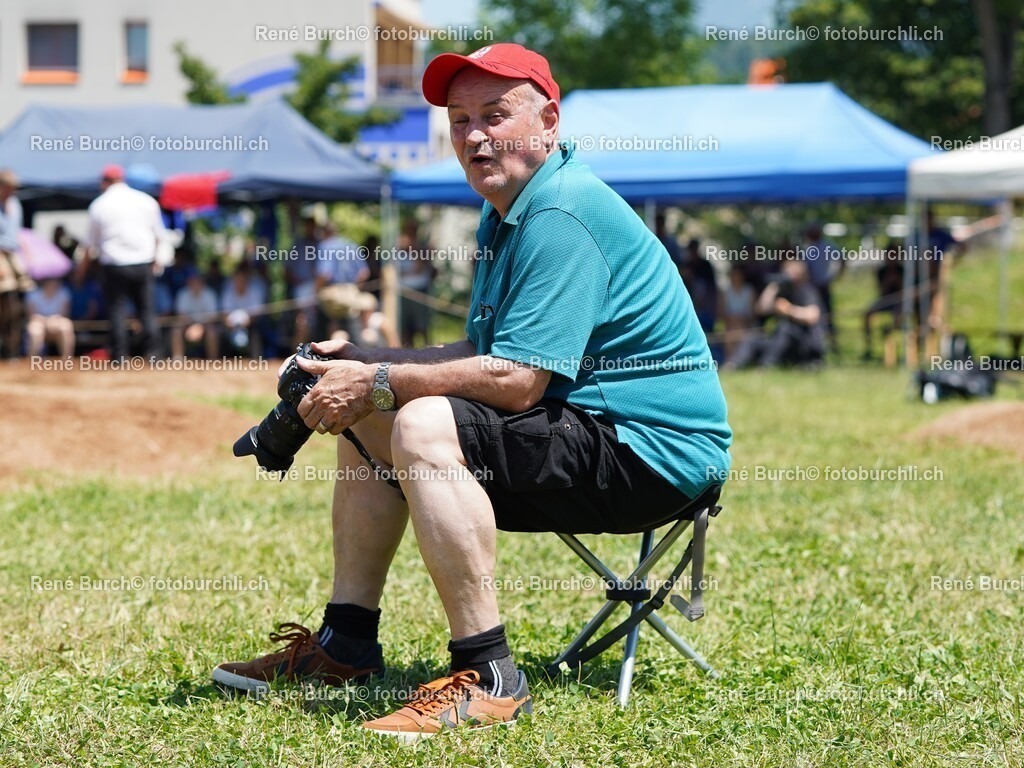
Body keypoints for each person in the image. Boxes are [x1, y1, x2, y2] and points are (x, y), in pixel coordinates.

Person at [212, 43, 732, 739]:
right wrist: (367, 361)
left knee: (418, 418)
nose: (474, 135)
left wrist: (382, 380)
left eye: (495, 114)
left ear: (549, 119)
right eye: (459, 121)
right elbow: (487, 355)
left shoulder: (559, 213)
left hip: (654, 457)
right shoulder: (511, 209)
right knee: (375, 407)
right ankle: (346, 646)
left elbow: (516, 384)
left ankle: (489, 678)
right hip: (594, 431)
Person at [84, 165, 166, 360]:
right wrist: (158, 259)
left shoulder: (99, 204)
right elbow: (159, 235)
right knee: (146, 311)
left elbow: (90, 245)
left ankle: (120, 356)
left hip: (114, 265)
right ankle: (153, 355)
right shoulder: (146, 201)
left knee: (116, 311)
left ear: (105, 181)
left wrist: (81, 270)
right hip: (142, 263)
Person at [725, 255, 825, 369]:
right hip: (779, 341)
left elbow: (813, 316)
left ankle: (765, 367)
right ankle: (731, 365)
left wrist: (789, 310)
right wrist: (772, 287)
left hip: (804, 342)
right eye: (785, 272)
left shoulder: (806, 290)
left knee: (785, 328)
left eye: (791, 272)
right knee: (752, 338)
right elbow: (760, 309)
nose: (787, 275)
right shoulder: (782, 291)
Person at [0, 169, 28, 358]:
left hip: (13, 255)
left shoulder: (15, 204)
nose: (13, 192)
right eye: (10, 188)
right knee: (7, 303)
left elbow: (17, 234)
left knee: (18, 305)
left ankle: (12, 350)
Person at [802, 222, 844, 350]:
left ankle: (833, 345)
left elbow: (842, 260)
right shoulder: (806, 249)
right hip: (812, 289)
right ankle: (814, 343)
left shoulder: (828, 246)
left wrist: (835, 278)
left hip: (824, 287)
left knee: (828, 317)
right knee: (813, 317)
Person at [170, 269, 218, 360]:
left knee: (212, 332)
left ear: (202, 282)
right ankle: (177, 359)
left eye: (197, 281)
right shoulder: (182, 294)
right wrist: (191, 327)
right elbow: (181, 315)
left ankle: (213, 360)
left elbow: (212, 317)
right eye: (192, 281)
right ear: (188, 282)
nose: (195, 283)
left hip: (205, 325)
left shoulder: (209, 294)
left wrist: (200, 327)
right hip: (187, 324)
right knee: (176, 330)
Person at [25, 277, 75, 358]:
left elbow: (65, 313)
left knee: (66, 326)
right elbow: (31, 315)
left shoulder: (64, 293)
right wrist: (45, 321)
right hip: (39, 322)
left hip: (58, 321)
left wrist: (54, 320)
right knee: (35, 330)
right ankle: (32, 361)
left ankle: (67, 360)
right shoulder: (33, 294)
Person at [719, 265, 756, 360]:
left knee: (737, 328)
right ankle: (732, 359)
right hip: (730, 324)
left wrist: (740, 319)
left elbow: (752, 314)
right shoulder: (725, 292)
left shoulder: (749, 291)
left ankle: (734, 360)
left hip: (746, 324)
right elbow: (722, 313)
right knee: (732, 329)